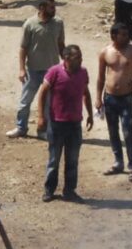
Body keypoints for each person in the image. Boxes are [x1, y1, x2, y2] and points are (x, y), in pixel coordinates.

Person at [97, 22, 132, 182]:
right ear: (114, 36)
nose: (127, 37)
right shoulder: (105, 52)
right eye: (123, 34)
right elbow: (101, 77)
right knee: (113, 131)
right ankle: (118, 163)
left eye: (127, 34)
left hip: (126, 98)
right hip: (109, 98)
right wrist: (98, 98)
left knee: (128, 132)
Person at [36, 45, 93, 203]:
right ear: (66, 59)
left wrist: (89, 114)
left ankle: (69, 190)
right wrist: (41, 116)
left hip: (75, 123)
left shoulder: (83, 72)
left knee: (73, 159)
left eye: (81, 57)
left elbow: (85, 93)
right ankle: (49, 189)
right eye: (77, 57)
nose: (81, 60)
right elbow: (42, 93)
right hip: (57, 124)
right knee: (54, 159)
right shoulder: (55, 71)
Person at [8, 0, 65, 139]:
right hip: (33, 70)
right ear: (42, 8)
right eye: (51, 7)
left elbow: (61, 45)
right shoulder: (30, 24)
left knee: (48, 103)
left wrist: (66, 64)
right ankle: (21, 127)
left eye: (54, 6)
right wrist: (21, 69)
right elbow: (23, 48)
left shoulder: (58, 23)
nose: (54, 10)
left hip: (52, 71)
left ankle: (43, 131)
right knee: (25, 101)